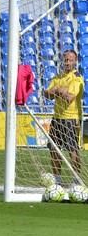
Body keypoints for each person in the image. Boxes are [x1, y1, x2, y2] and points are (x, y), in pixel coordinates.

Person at [43, 49, 85, 185]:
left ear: (75, 61)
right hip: (57, 118)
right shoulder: (58, 77)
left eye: (70, 60)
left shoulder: (77, 78)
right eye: (66, 60)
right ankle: (57, 180)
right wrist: (57, 91)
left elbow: (69, 97)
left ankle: (76, 180)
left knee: (72, 150)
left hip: (71, 119)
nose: (67, 62)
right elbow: (47, 94)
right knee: (54, 148)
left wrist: (57, 91)